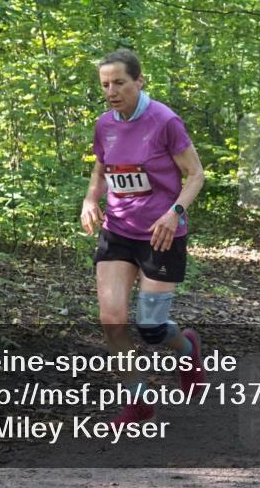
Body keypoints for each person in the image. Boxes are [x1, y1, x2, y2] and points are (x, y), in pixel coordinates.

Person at [80, 49, 206, 425]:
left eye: (119, 82)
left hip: (160, 234)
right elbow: (102, 170)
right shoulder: (105, 125)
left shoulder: (164, 121)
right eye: (105, 84)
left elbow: (196, 174)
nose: (111, 91)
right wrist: (90, 198)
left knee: (151, 328)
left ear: (139, 81)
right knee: (112, 320)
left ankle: (187, 348)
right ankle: (139, 401)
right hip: (117, 230)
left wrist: (175, 212)